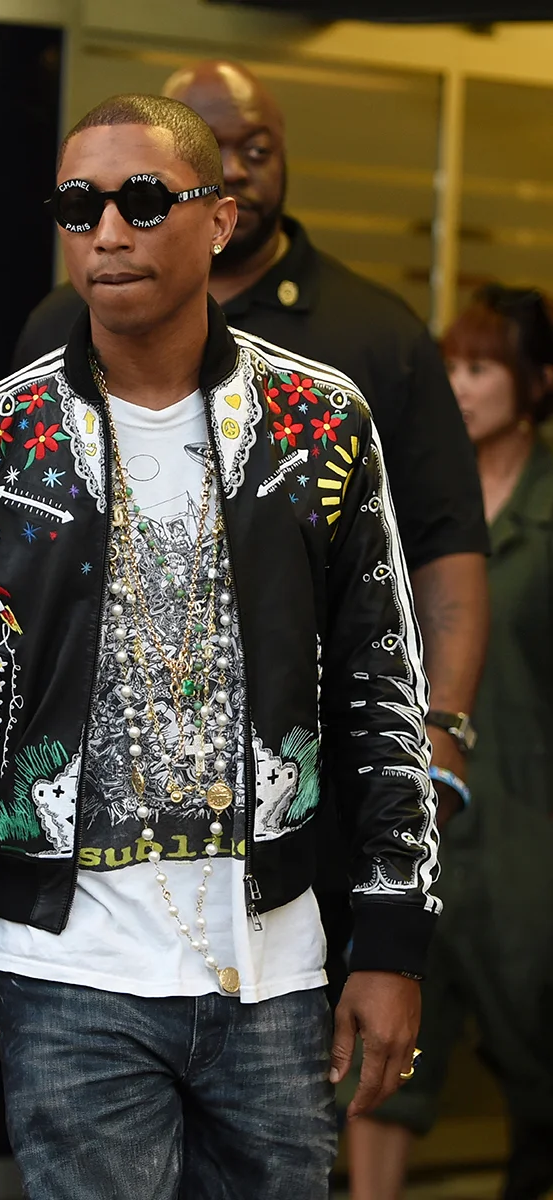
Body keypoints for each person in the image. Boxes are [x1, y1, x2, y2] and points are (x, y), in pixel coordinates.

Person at [0, 94, 440, 1199]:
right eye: (77, 206)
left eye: (142, 201)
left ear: (218, 219)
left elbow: (380, 691)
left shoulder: (319, 423)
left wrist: (391, 939)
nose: (107, 233)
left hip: (274, 968)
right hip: (61, 972)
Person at [11, 61, 489, 1001]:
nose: (236, 164)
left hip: (314, 785)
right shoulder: (60, 326)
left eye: (256, 148)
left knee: (331, 1026)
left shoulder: (372, 335)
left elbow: (442, 551)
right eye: (207, 147)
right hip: (100, 833)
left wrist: (438, 731)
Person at [346, 286, 553, 1200]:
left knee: (536, 1060)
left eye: (482, 367)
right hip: (417, 820)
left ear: (535, 382)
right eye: (451, 367)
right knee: (381, 1062)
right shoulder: (408, 501)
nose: (460, 386)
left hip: (528, 831)